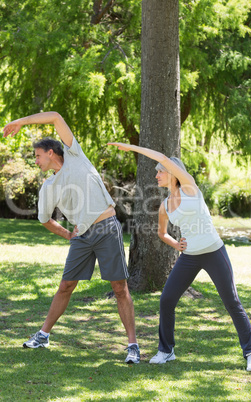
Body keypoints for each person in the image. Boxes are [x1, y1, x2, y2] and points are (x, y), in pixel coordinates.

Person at [108, 141, 251, 373]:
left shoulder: (190, 187)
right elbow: (162, 233)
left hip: (213, 252)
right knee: (166, 300)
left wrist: (132, 148)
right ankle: (166, 350)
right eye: (156, 171)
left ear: (173, 173)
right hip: (189, 257)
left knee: (232, 302)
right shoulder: (165, 205)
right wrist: (176, 243)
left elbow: (162, 156)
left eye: (160, 171)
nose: (156, 174)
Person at [3, 112, 140, 364]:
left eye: (37, 155)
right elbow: (44, 219)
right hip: (82, 237)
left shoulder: (75, 155)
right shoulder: (48, 186)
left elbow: (55, 117)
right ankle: (43, 335)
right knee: (66, 286)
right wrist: (68, 234)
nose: (36, 161)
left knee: (119, 288)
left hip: (106, 227)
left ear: (51, 152)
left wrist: (21, 122)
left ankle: (132, 345)